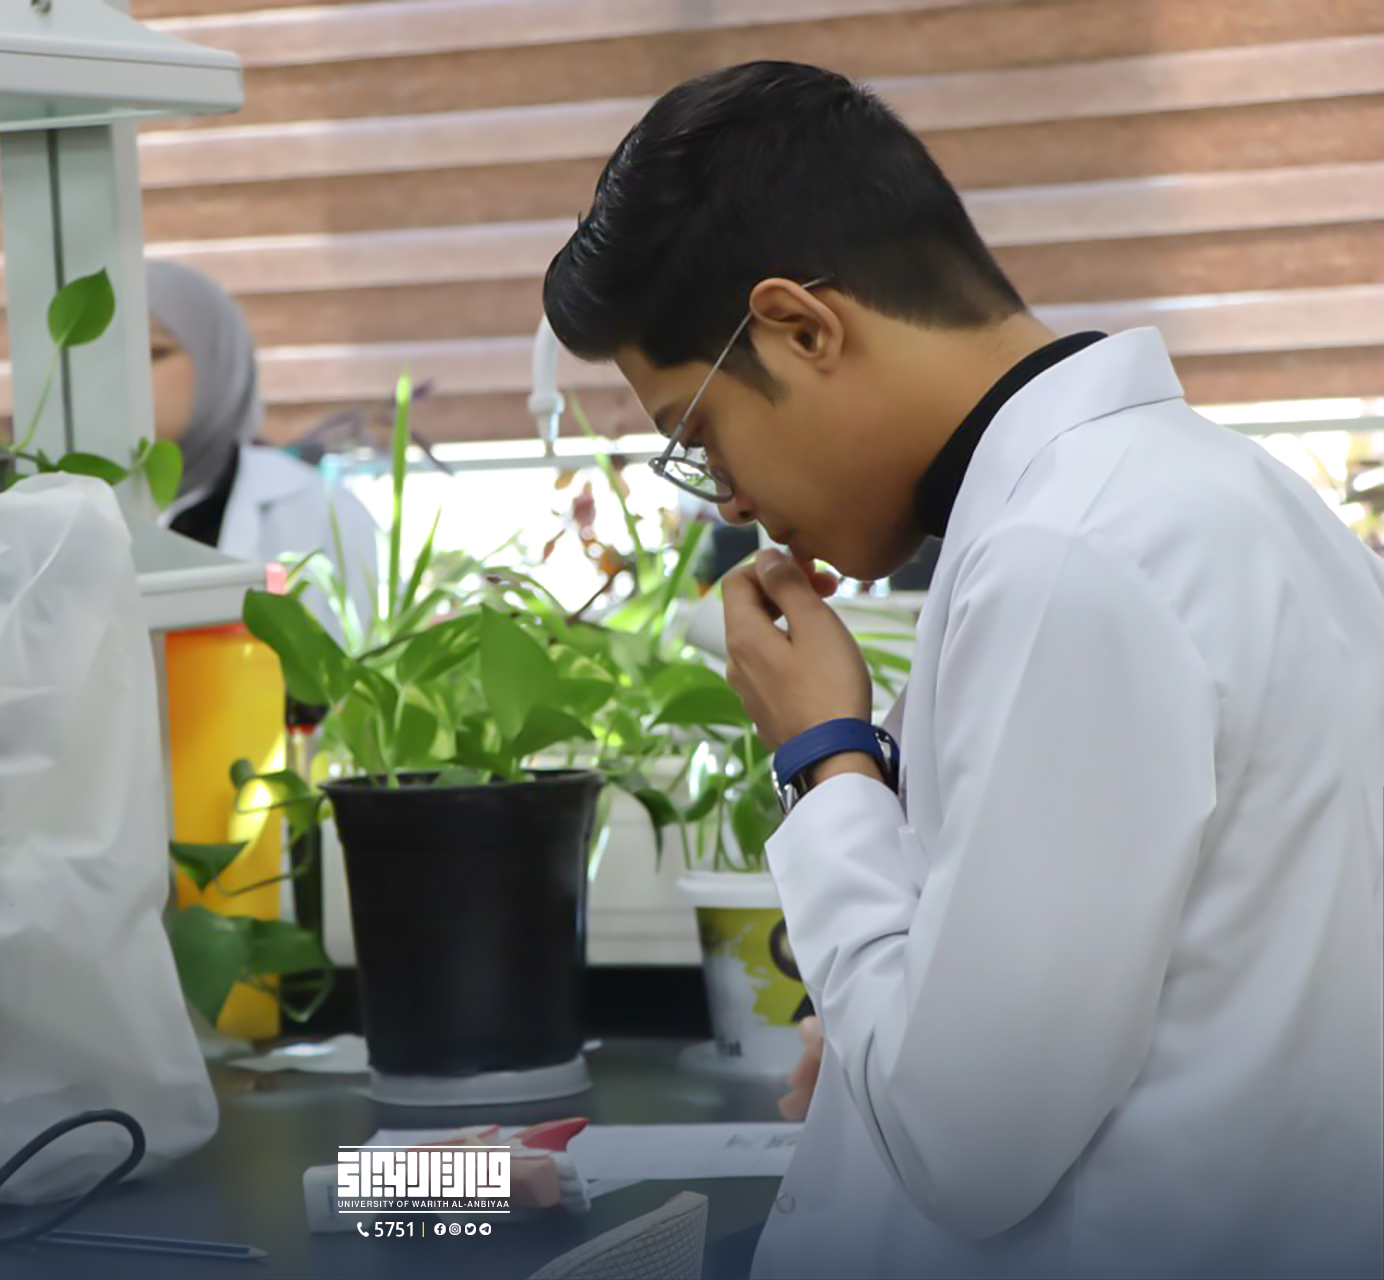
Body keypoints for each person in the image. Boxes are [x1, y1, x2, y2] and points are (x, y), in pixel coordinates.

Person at [545, 61, 1384, 1279]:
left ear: (802, 327)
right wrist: (889, 1024)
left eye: (699, 431)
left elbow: (963, 1143)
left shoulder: (1066, 554)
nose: (726, 497)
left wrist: (825, 758)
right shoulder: (1225, 497)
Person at [146, 259, 379, 636]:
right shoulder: (59, 510)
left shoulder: (319, 510)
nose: (123, 375)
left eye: (153, 352)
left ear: (216, 359)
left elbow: (362, 657)